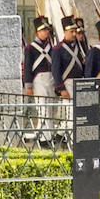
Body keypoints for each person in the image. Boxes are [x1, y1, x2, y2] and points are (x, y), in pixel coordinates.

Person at [21, 15, 56, 146]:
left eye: (47, 30)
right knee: (42, 108)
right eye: (43, 30)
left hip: (50, 78)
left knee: (51, 108)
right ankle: (43, 137)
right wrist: (28, 85)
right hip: (38, 79)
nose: (46, 32)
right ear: (37, 32)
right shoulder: (30, 48)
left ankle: (50, 134)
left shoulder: (51, 46)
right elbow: (28, 67)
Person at [51, 14, 86, 99]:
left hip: (80, 83)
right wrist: (61, 88)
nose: (74, 34)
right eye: (71, 31)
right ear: (64, 31)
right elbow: (56, 71)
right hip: (67, 84)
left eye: (75, 31)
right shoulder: (58, 49)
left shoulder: (81, 46)